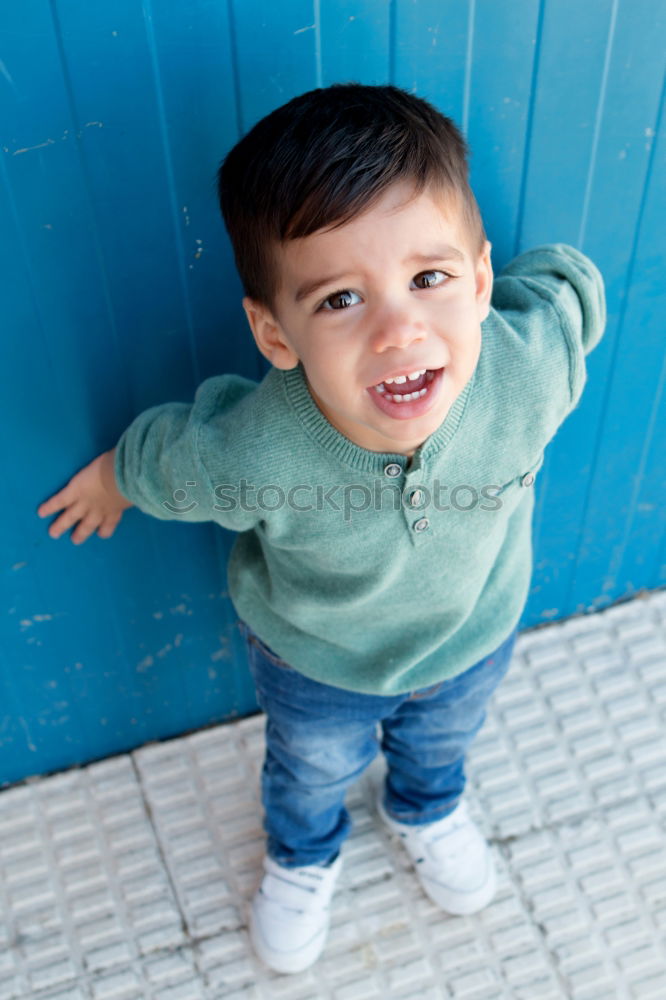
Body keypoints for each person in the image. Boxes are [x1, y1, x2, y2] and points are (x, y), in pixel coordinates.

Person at [37, 83, 606, 974]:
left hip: (473, 635)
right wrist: (114, 479)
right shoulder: (257, 448)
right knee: (308, 772)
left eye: (431, 278)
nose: (399, 328)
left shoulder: (527, 368)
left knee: (445, 739)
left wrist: (538, 283)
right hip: (318, 664)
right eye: (341, 299)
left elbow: (573, 292)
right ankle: (303, 857)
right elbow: (171, 462)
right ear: (274, 334)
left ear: (482, 280)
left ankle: (425, 805)